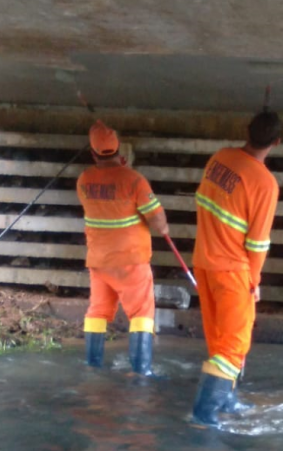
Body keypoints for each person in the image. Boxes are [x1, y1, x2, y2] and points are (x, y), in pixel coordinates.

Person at [189, 111, 281, 427]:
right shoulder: (265, 184)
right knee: (233, 346)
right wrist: (254, 282)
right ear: (277, 142)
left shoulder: (220, 159)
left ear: (247, 131)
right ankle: (203, 414)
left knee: (218, 339)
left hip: (204, 262)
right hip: (232, 271)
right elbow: (257, 243)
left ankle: (227, 399)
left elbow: (202, 202)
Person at [77, 120, 169, 376]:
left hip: (99, 260)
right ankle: (142, 373)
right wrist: (163, 228)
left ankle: (92, 368)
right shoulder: (134, 180)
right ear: (120, 150)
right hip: (131, 261)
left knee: (98, 311)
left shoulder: (83, 181)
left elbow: (106, 193)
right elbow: (159, 221)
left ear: (93, 153)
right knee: (141, 312)